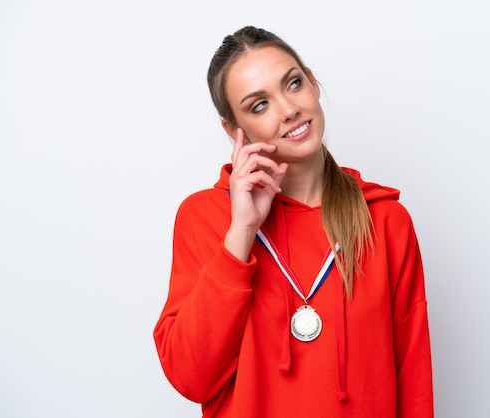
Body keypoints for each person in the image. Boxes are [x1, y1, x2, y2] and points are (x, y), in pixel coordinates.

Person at [153, 25, 434, 418]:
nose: (288, 109)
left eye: (294, 83)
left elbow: (413, 378)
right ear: (235, 131)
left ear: (314, 84)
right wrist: (242, 233)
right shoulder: (205, 218)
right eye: (259, 105)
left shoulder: (386, 221)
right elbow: (190, 376)